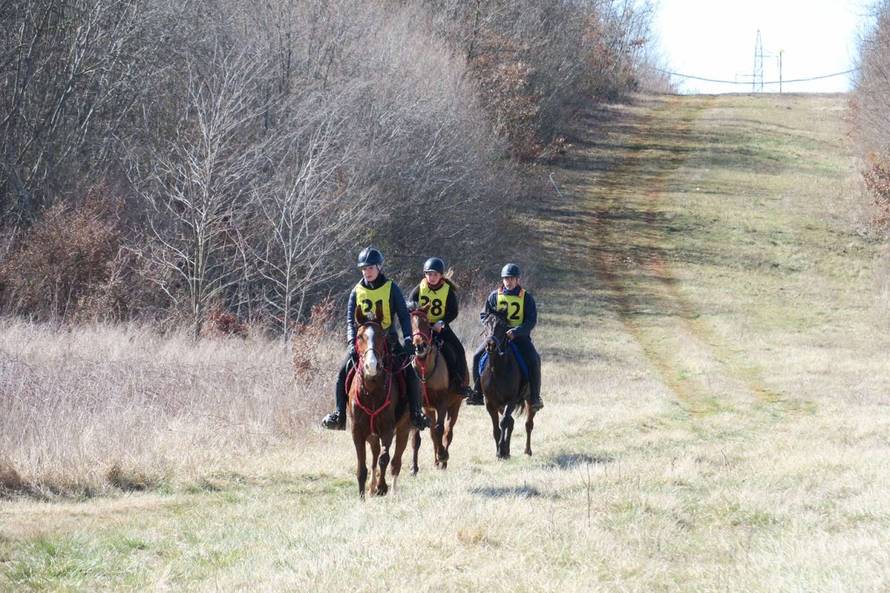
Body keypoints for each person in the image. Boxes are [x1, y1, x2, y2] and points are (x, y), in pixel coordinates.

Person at [321, 247, 430, 431]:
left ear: (379, 267)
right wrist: (350, 342)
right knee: (342, 373)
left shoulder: (391, 288)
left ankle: (416, 413)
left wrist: (409, 340)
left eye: (370, 268)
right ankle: (339, 414)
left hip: (389, 340)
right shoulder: (356, 291)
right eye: (363, 268)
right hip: (363, 343)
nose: (367, 272)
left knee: (411, 373)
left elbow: (404, 316)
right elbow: (349, 320)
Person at [466, 263, 544, 410]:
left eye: (512, 279)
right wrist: (490, 326)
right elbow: (484, 314)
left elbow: (531, 321)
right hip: (496, 336)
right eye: (506, 279)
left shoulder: (526, 297)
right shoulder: (494, 296)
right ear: (502, 280)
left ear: (517, 279)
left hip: (518, 337)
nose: (508, 282)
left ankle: (534, 397)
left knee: (534, 359)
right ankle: (477, 393)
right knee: (477, 356)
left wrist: (517, 331)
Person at [407, 257, 473, 397]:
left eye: (435, 274)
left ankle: (461, 384)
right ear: (425, 275)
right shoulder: (419, 289)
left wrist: (442, 322)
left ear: (441, 275)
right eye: (429, 274)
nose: (432, 277)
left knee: (458, 350)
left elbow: (453, 312)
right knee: (405, 350)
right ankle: (405, 386)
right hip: (421, 329)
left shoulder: (447, 290)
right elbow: (409, 306)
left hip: (440, 327)